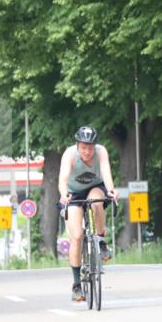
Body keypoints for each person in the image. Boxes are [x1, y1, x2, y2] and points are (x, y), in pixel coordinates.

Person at [58, 126, 117, 302]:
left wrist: (111, 190)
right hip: (73, 194)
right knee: (76, 236)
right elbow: (63, 179)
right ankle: (77, 284)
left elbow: (106, 173)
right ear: (77, 145)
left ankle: (101, 241)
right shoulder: (69, 155)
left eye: (90, 148)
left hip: (95, 187)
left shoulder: (101, 152)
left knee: (97, 203)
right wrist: (64, 194)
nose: (87, 151)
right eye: (83, 147)